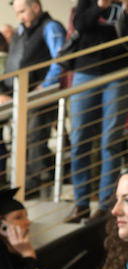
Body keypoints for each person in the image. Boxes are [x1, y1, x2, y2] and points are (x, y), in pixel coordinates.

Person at [65, 0, 128, 223]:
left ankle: (105, 205)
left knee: (110, 141)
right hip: (86, 71)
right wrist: (99, 6)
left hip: (119, 72)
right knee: (79, 140)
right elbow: (80, 24)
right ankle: (80, 204)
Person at [0, 0, 65, 199]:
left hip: (39, 97)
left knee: (33, 139)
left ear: (36, 7)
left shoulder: (50, 27)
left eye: (22, 11)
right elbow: (11, 66)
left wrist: (44, 86)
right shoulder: (21, 31)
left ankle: (34, 184)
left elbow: (60, 59)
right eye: (17, 12)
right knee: (22, 140)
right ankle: (23, 184)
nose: (19, 16)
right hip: (16, 97)